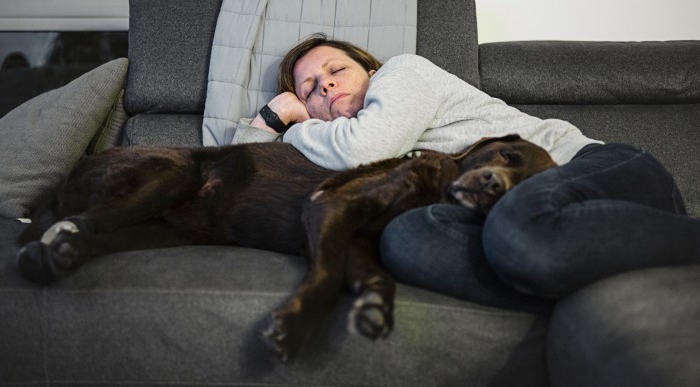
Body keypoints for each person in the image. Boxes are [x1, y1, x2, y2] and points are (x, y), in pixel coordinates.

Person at [232, 33, 700, 311]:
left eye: (336, 69)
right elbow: (240, 177)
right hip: (499, 213)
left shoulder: (402, 73)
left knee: (518, 233)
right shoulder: (329, 142)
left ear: (370, 69)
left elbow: (365, 147)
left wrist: (292, 129)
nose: (326, 84)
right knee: (404, 243)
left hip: (585, 170)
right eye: (310, 89)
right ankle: (572, 275)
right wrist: (267, 121)